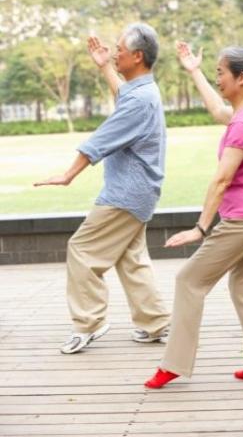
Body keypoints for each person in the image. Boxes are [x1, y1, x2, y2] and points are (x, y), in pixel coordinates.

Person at [145, 41, 243, 388]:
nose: (218, 79)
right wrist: (194, 71)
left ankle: (174, 364)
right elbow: (220, 111)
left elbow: (222, 179)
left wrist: (200, 229)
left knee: (189, 281)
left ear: (242, 78)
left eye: (221, 73)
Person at [34, 23, 170, 354]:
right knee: (131, 257)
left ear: (137, 56)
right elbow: (125, 97)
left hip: (125, 193)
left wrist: (69, 174)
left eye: (119, 50)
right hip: (140, 191)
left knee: (81, 249)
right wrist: (105, 66)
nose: (115, 53)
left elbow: (101, 140)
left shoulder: (140, 101)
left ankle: (89, 323)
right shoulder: (143, 91)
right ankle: (154, 322)